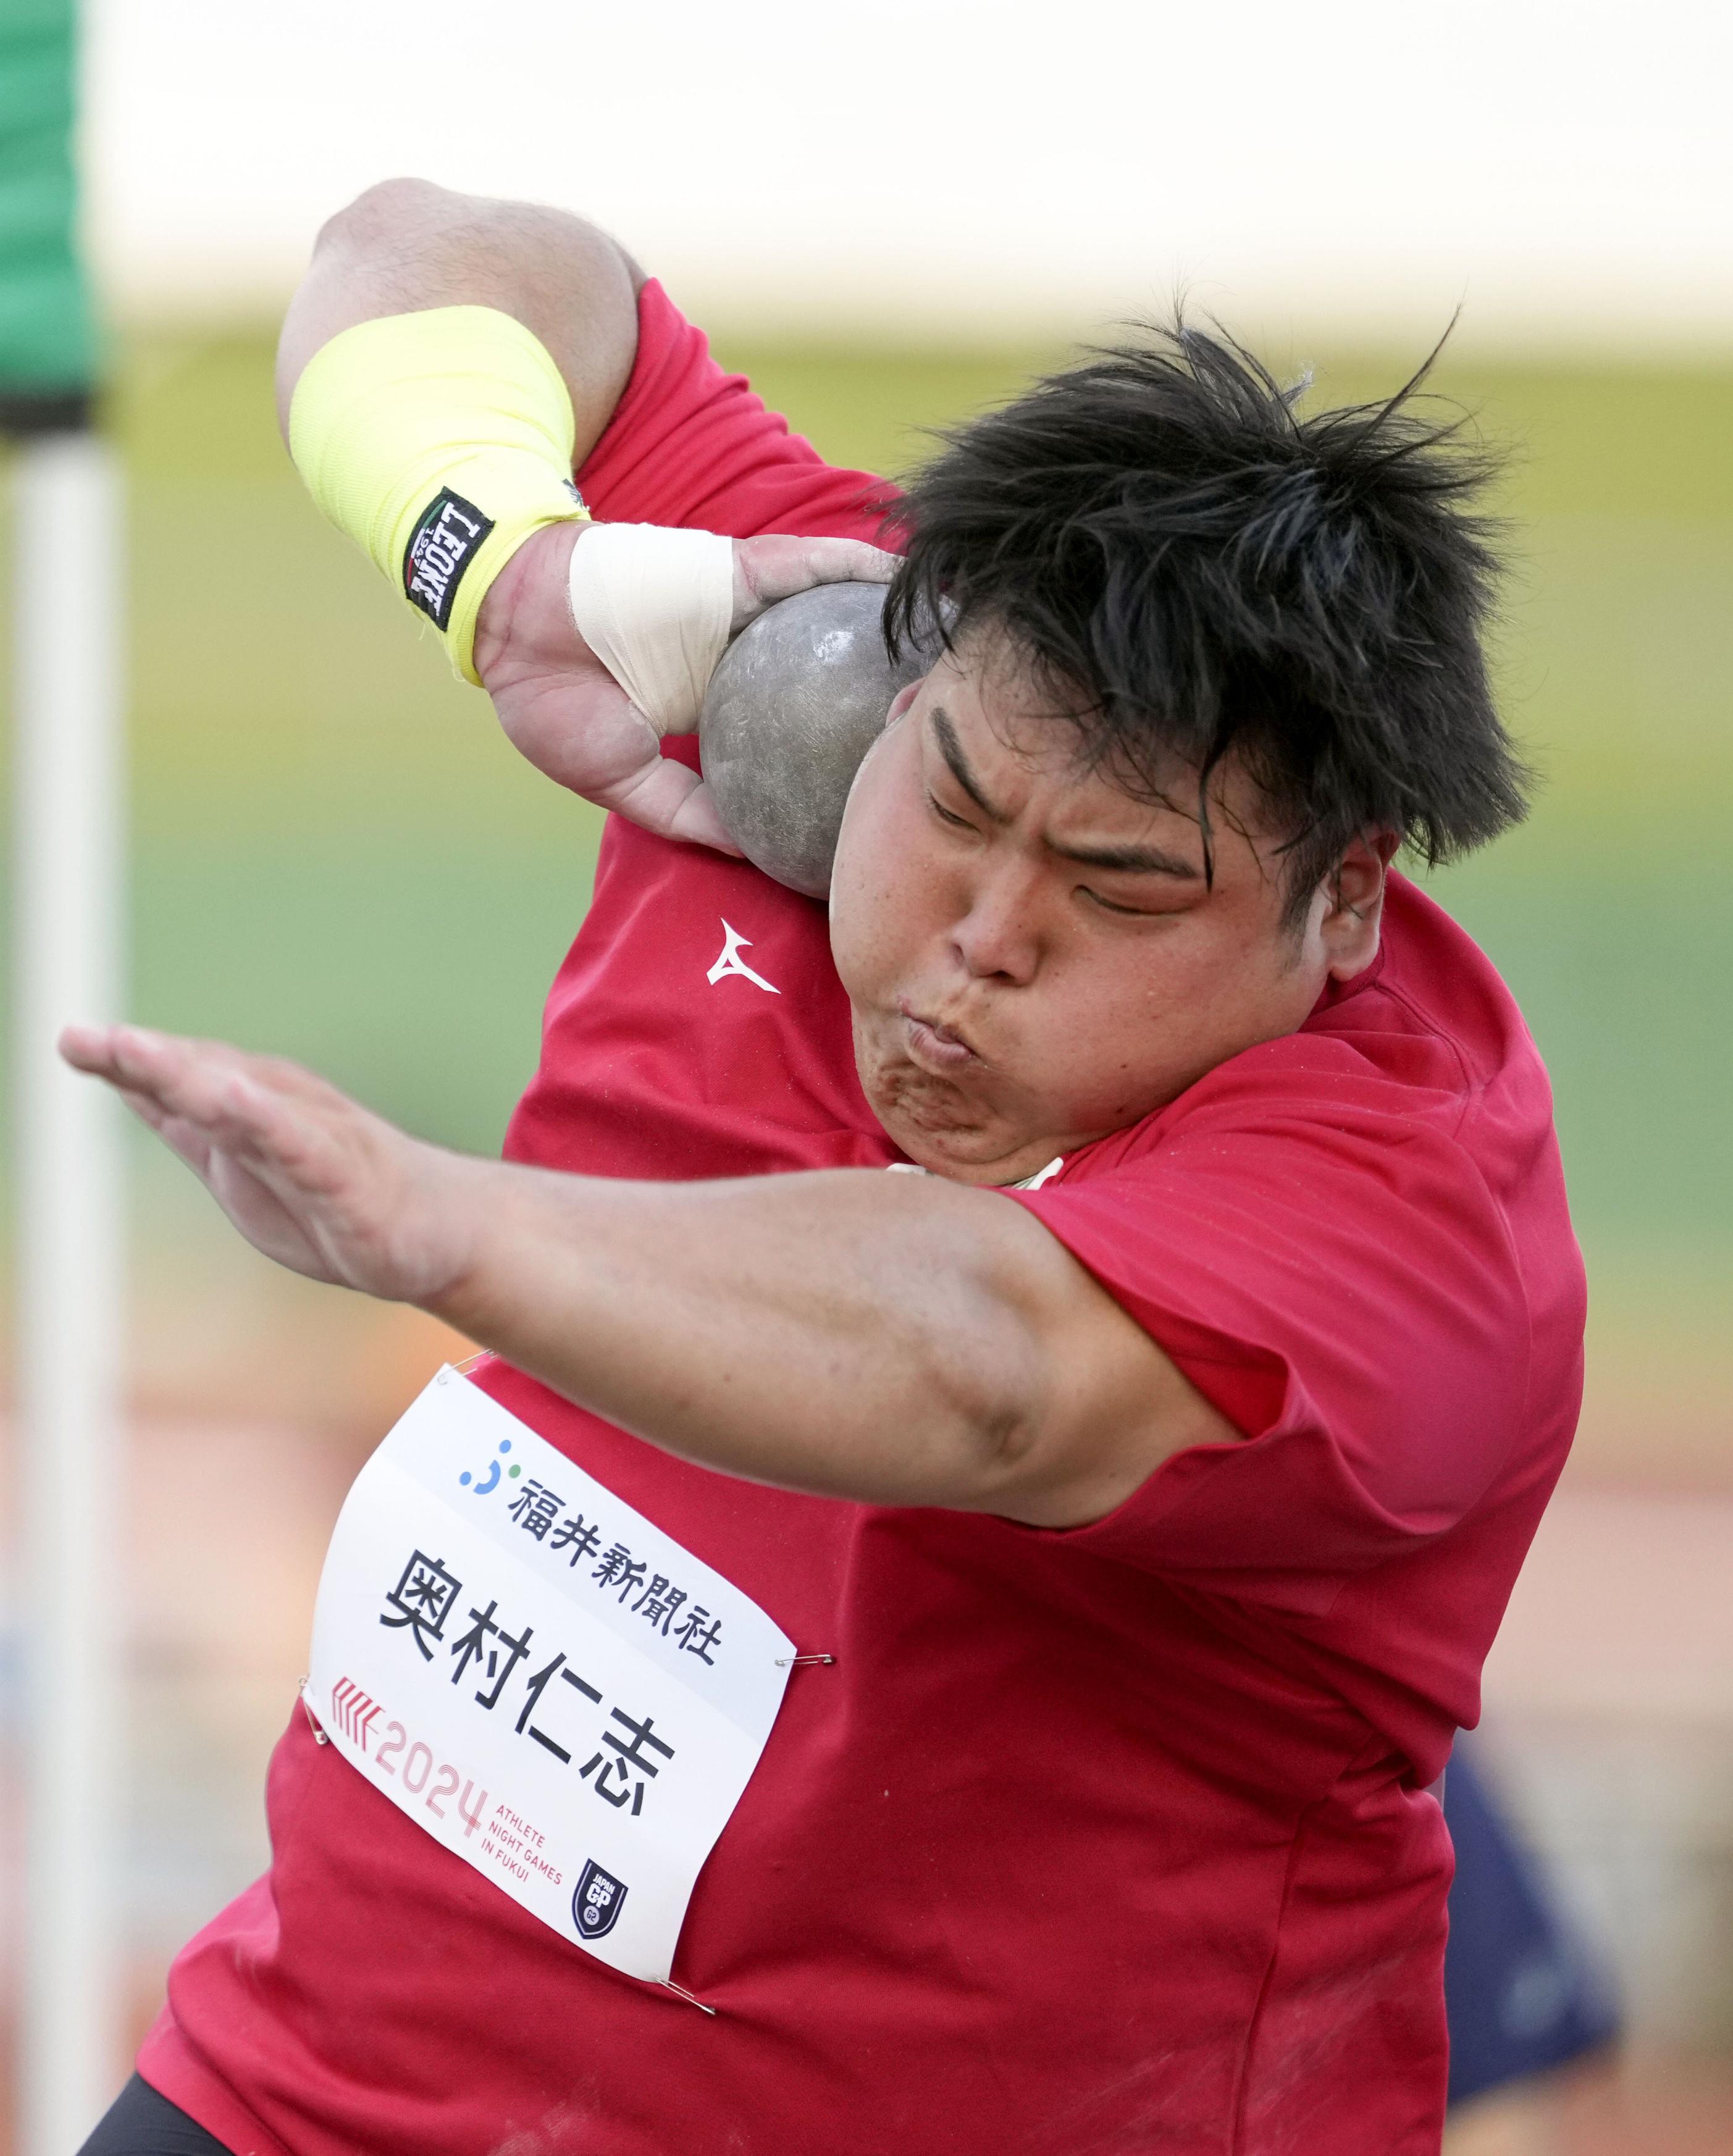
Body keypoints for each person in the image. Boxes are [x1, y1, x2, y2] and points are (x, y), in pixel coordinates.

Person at [69, 181, 1584, 2156]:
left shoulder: (1416, 1202)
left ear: (1348, 903)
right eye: (949, 801)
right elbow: (423, 252)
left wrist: (454, 1229)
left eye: (1120, 887)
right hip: (304, 2090)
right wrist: (502, 553)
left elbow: (988, 1360)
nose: (982, 930)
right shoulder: (809, 647)